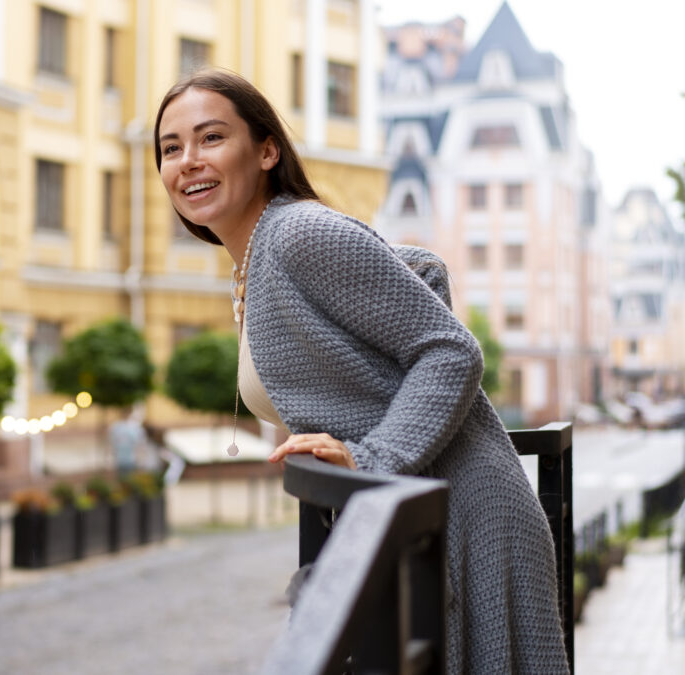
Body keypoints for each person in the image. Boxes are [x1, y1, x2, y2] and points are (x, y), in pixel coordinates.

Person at [154, 69, 568, 673]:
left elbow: (452, 351)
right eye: (171, 148)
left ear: (267, 150)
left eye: (211, 138)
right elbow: (421, 271)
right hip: (424, 509)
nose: (188, 160)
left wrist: (371, 456)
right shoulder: (257, 254)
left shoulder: (297, 233)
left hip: (467, 514)